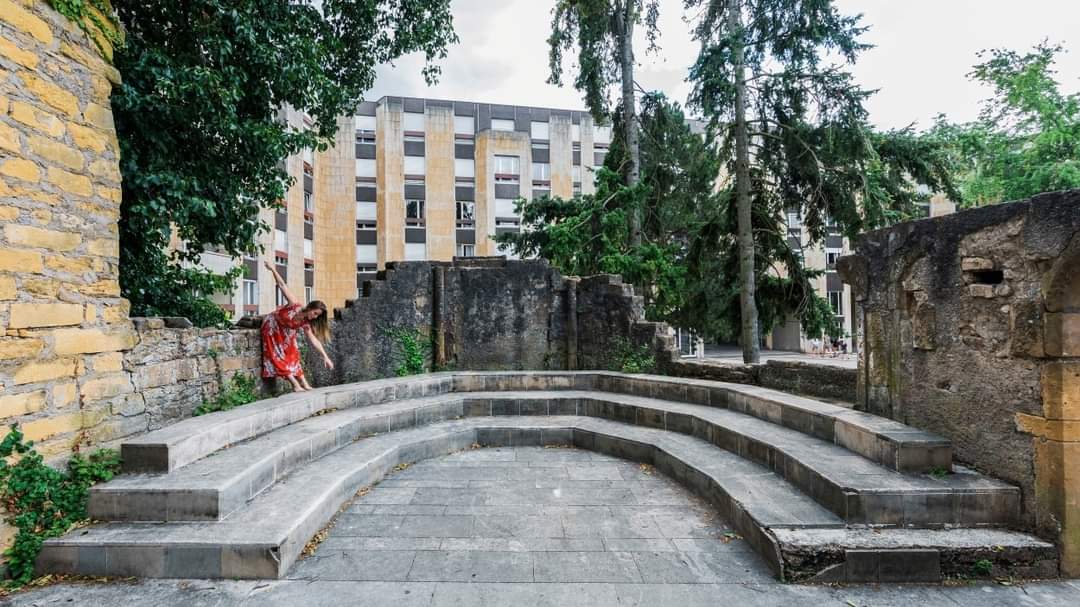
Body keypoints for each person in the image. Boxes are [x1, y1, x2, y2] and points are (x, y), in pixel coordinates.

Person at [261, 260, 333, 392]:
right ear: (310, 307)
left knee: (293, 353)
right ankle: (295, 385)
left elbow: (314, 340)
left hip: (286, 331)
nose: (315, 317)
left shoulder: (305, 323)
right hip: (272, 326)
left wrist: (325, 356)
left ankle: (304, 383)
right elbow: (282, 285)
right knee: (278, 355)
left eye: (318, 316)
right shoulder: (295, 305)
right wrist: (272, 269)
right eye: (315, 313)